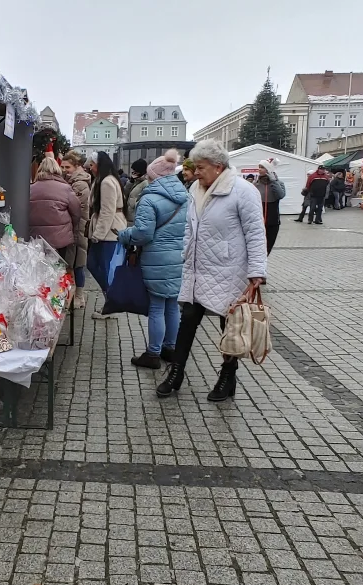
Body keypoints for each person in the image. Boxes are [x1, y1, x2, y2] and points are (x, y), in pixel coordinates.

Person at [157, 139, 267, 402]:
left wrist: (257, 272)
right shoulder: (196, 188)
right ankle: (176, 372)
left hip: (229, 269)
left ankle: (228, 376)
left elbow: (255, 233)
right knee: (188, 321)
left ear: (218, 167)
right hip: (197, 269)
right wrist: (186, 252)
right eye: (195, 168)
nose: (196, 173)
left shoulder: (242, 191)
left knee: (230, 327)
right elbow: (189, 227)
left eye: (201, 168)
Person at [119, 149, 189, 369]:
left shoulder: (150, 199)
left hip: (157, 258)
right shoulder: (186, 196)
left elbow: (143, 234)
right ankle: (170, 347)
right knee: (172, 305)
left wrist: (124, 235)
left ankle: (153, 353)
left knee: (157, 306)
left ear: (154, 175)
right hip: (178, 257)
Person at [87, 151, 127, 319]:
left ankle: (112, 303)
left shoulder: (106, 182)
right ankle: (111, 302)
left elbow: (107, 211)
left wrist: (98, 234)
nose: (91, 168)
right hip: (108, 231)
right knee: (97, 266)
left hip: (108, 233)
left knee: (102, 268)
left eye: (92, 165)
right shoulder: (107, 180)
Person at [27, 153, 80, 264]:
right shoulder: (65, 188)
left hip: (36, 239)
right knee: (59, 272)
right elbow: (76, 213)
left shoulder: (30, 189)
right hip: (60, 240)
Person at [61, 150, 92, 308]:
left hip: (78, 227)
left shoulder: (80, 183)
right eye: (63, 167)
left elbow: (75, 207)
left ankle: (79, 296)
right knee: (73, 261)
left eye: (68, 167)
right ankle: (75, 294)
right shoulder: (71, 181)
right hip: (73, 226)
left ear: (77, 166)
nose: (65, 170)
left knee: (79, 261)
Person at [255, 158, 287, 254]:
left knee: (267, 249)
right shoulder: (256, 184)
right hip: (258, 221)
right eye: (259, 167)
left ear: (268, 170)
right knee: (258, 250)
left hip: (272, 221)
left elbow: (281, 195)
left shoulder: (279, 183)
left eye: (262, 167)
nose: (259, 169)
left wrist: (273, 181)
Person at [125, 158, 149, 224]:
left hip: (135, 218)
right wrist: (130, 182)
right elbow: (125, 193)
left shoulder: (145, 183)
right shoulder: (135, 182)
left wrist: (133, 203)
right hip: (129, 217)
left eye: (135, 171)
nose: (133, 172)